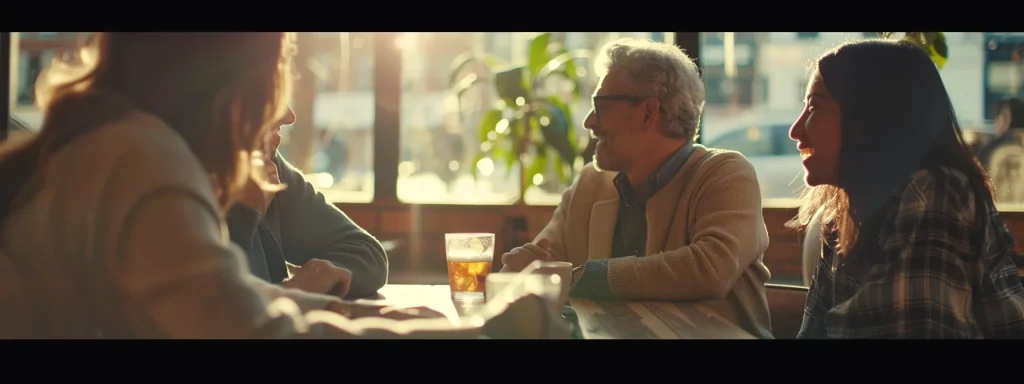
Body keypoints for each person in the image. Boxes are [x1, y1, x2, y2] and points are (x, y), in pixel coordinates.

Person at [0, 32, 564, 339]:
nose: (288, 113)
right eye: (280, 68)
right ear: (232, 81)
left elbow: (227, 297)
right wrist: (481, 336)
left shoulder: (112, 145)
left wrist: (362, 317)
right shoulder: (141, 161)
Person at [499, 38, 773, 339]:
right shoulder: (589, 184)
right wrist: (519, 272)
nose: (589, 122)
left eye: (601, 107)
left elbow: (710, 269)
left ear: (648, 113)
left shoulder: (725, 173)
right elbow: (540, 267)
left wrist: (583, 277)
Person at [789, 39, 1024, 338]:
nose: (795, 131)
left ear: (868, 116)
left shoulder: (936, 191)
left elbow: (905, 329)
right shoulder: (840, 215)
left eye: (814, 107)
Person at [228, 106, 387, 300]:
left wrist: (324, 275)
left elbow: (367, 253)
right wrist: (245, 217)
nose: (289, 117)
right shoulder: (192, 182)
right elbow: (221, 301)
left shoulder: (268, 168)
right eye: (272, 94)